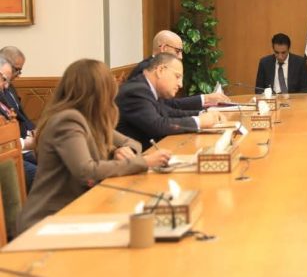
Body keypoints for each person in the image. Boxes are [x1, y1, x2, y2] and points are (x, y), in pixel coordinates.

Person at [16, 59, 171, 234]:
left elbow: (133, 143)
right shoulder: (67, 121)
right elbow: (86, 171)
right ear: (98, 91)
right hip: (48, 220)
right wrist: (144, 162)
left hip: (77, 211)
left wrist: (119, 152)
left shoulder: (89, 119)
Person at [116, 53, 221, 151]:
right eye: (177, 76)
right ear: (160, 70)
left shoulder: (149, 88)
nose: (180, 85)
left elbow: (169, 112)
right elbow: (157, 125)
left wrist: (203, 114)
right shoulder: (136, 91)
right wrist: (199, 122)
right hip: (138, 159)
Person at [127, 30, 229, 109]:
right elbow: (166, 106)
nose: (181, 57)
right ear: (164, 48)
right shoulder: (145, 69)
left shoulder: (154, 66)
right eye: (177, 51)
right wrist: (204, 99)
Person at [0, 47, 36, 191]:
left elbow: (20, 117)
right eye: (3, 79)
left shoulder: (5, 91)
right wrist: (24, 144)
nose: (6, 85)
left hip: (14, 150)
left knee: (55, 163)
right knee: (40, 175)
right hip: (8, 155)